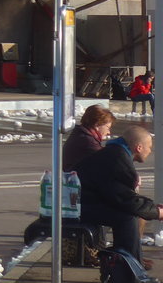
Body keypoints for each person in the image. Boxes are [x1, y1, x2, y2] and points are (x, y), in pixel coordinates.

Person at [73, 124, 162, 264]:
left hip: (82, 203)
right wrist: (157, 212)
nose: (150, 151)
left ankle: (131, 261)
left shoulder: (115, 153)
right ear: (139, 147)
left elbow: (122, 196)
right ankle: (129, 269)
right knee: (127, 217)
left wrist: (152, 208)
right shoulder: (118, 159)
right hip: (77, 207)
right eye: (149, 147)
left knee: (130, 214)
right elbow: (125, 200)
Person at [62, 104, 114, 171]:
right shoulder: (88, 141)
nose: (108, 132)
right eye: (108, 127)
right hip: (77, 179)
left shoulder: (80, 134)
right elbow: (108, 160)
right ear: (97, 124)